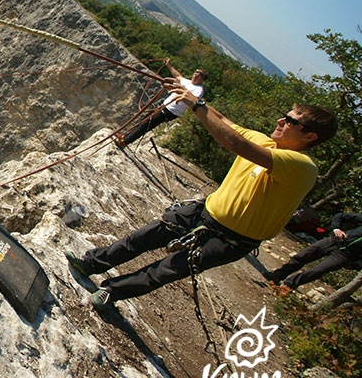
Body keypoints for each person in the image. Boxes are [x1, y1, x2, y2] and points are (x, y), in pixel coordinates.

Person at [67, 80, 338, 310]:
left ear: (310, 136)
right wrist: (192, 99)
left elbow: (234, 142)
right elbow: (224, 123)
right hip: (205, 211)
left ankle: (112, 292)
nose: (281, 120)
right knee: (143, 237)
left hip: (231, 239)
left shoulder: (302, 167)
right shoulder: (267, 141)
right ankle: (91, 262)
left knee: (168, 269)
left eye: (290, 121)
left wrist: (196, 106)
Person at [115, 63, 208, 148]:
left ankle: (125, 142)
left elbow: (191, 99)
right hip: (164, 106)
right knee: (143, 120)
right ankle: (125, 135)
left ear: (202, 80)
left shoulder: (199, 90)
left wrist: (176, 88)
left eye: (198, 77)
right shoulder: (187, 82)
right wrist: (169, 65)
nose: (195, 77)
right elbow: (178, 76)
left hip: (171, 111)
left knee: (147, 124)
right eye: (195, 74)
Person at [265, 212, 362, 290]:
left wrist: (355, 265)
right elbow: (340, 216)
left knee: (318, 270)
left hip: (345, 255)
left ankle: (288, 285)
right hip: (335, 240)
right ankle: (277, 275)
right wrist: (337, 229)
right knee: (302, 256)